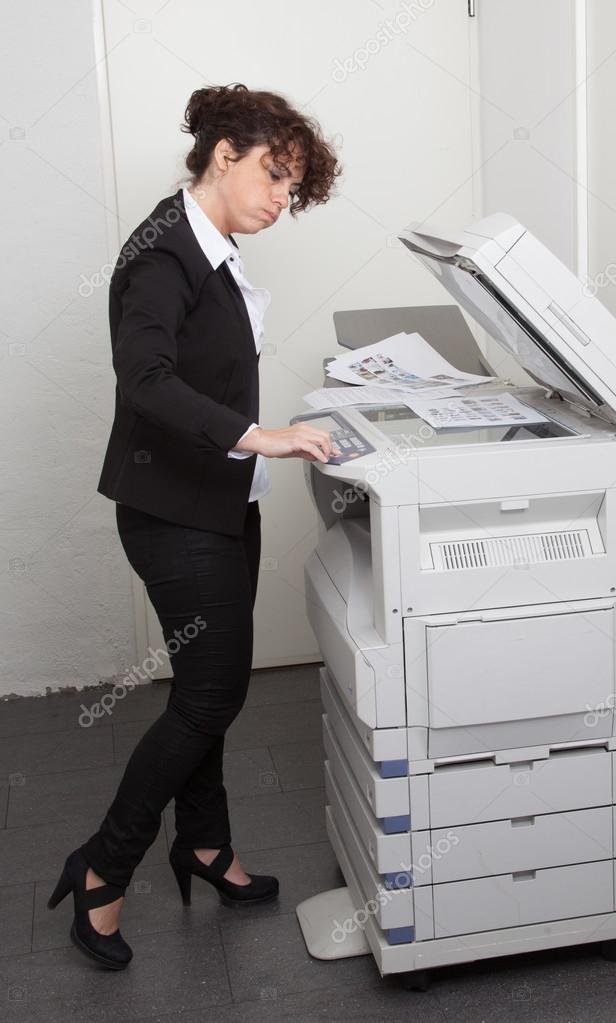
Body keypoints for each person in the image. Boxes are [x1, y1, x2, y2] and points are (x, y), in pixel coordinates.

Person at [46, 83, 341, 970]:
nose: (281, 202)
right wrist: (263, 436)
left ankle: (205, 845)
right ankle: (102, 866)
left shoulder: (211, 244)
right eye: (274, 177)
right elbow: (145, 376)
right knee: (210, 695)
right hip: (175, 512)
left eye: (292, 191)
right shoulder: (162, 253)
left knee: (208, 687)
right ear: (224, 153)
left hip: (223, 502)